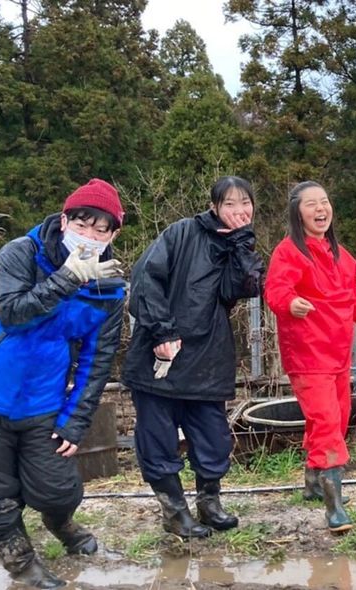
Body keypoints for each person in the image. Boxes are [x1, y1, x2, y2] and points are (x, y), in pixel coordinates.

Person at [0, 179, 126, 588]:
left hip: (42, 401)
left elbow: (98, 360)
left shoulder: (108, 287)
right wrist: (68, 278)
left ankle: (61, 523)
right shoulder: (20, 254)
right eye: (82, 223)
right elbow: (11, 313)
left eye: (101, 229)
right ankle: (22, 565)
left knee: (58, 489)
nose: (90, 235)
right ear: (64, 221)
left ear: (114, 234)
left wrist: (76, 421)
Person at [123, 176, 264, 539]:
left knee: (213, 436)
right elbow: (145, 277)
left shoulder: (237, 243)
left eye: (244, 203)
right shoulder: (181, 233)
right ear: (214, 206)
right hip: (162, 355)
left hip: (208, 355)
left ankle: (209, 502)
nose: (238, 211)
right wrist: (162, 331)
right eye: (229, 204)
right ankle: (174, 510)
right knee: (158, 437)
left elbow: (244, 289)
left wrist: (241, 246)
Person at [264, 181, 356, 534]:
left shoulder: (343, 256)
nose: (320, 209)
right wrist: (290, 303)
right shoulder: (288, 252)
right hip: (307, 354)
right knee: (325, 423)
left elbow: (352, 299)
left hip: (337, 354)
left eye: (324, 202)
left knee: (335, 418)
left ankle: (312, 482)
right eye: (311, 204)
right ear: (297, 211)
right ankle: (334, 506)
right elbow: (275, 291)